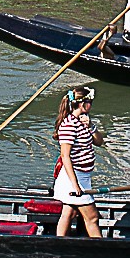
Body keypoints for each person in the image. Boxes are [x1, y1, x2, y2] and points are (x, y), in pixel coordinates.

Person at [53, 86, 103, 238]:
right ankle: (103, 248)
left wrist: (91, 126)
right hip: (73, 178)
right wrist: (75, 185)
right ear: (82, 104)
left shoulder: (83, 122)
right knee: (92, 217)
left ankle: (60, 244)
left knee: (68, 213)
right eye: (90, 102)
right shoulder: (69, 125)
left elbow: (99, 142)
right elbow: (65, 156)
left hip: (83, 176)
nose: (91, 105)